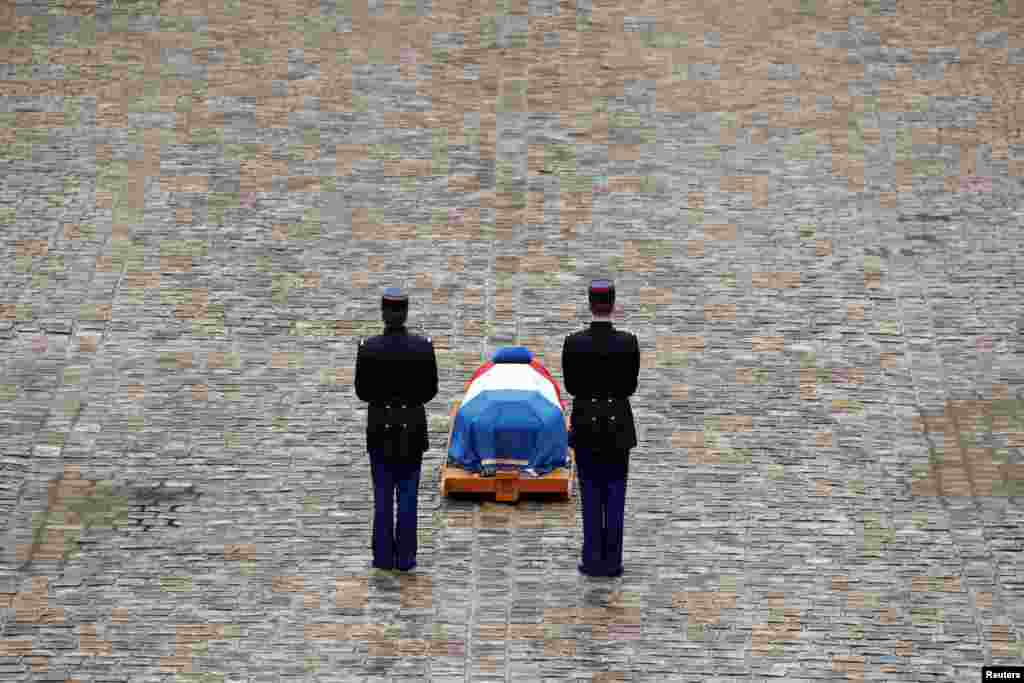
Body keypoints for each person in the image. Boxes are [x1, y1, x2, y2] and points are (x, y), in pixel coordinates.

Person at [355, 287, 438, 572]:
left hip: (380, 427)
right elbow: (430, 391)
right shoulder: (423, 346)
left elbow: (362, 391)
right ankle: (405, 557)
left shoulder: (368, 347)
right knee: (407, 494)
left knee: (381, 494)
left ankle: (382, 556)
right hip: (411, 428)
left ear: (383, 312)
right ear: (405, 312)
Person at [561, 279, 640, 578]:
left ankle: (593, 557)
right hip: (618, 423)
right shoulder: (628, 342)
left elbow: (571, 386)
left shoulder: (574, 342)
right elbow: (630, 386)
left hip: (586, 423)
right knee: (616, 494)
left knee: (591, 493)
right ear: (613, 304)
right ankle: (613, 559)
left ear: (590, 304)